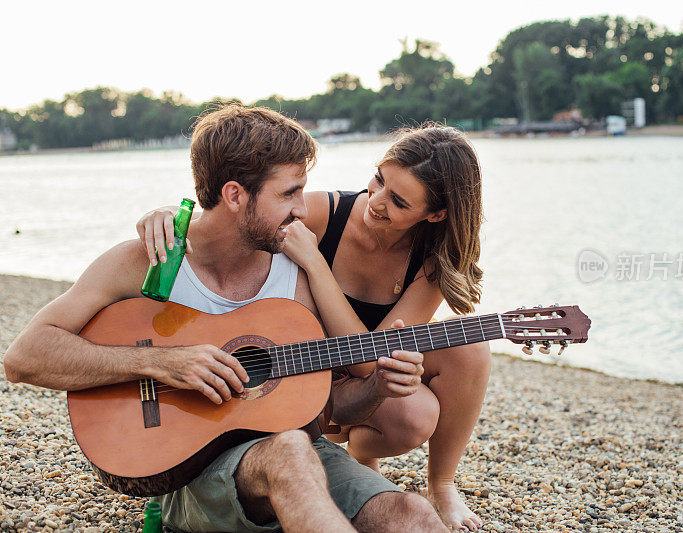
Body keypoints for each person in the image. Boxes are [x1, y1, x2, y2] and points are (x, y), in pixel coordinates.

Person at [4, 105, 450, 533]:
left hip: (299, 457)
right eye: (289, 192)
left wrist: (376, 388)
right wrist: (160, 362)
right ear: (235, 195)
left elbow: (326, 411)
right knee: (288, 451)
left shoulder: (295, 275)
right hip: (183, 469)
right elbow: (24, 358)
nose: (301, 210)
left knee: (412, 513)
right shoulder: (148, 260)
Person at [137, 124, 491, 531]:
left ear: (435, 214)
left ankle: (441, 483)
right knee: (411, 411)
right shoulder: (327, 213)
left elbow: (370, 361)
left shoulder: (433, 259)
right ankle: (358, 461)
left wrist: (316, 265)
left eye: (397, 201)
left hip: (357, 366)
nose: (374, 200)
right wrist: (165, 216)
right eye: (378, 179)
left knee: (466, 355)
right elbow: (235, 218)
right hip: (296, 369)